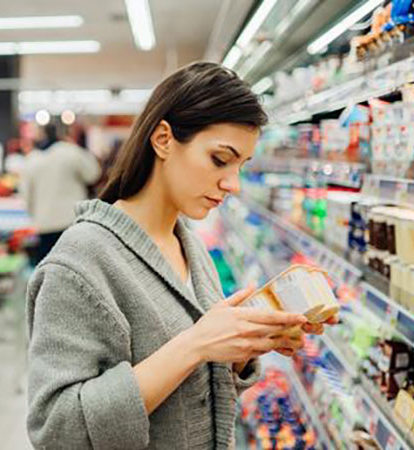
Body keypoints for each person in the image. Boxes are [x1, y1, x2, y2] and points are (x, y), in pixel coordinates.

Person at [26, 62, 336, 450]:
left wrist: (243, 345)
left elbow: (189, 396)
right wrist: (195, 344)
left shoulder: (189, 245)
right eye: (220, 159)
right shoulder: (79, 262)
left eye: (241, 165)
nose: (232, 184)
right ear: (163, 139)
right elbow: (57, 430)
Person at [20, 121, 101, 264]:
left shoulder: (32, 160)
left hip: (45, 224)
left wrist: (35, 216)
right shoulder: (71, 152)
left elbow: (26, 195)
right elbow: (93, 174)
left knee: (48, 273)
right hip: (72, 221)